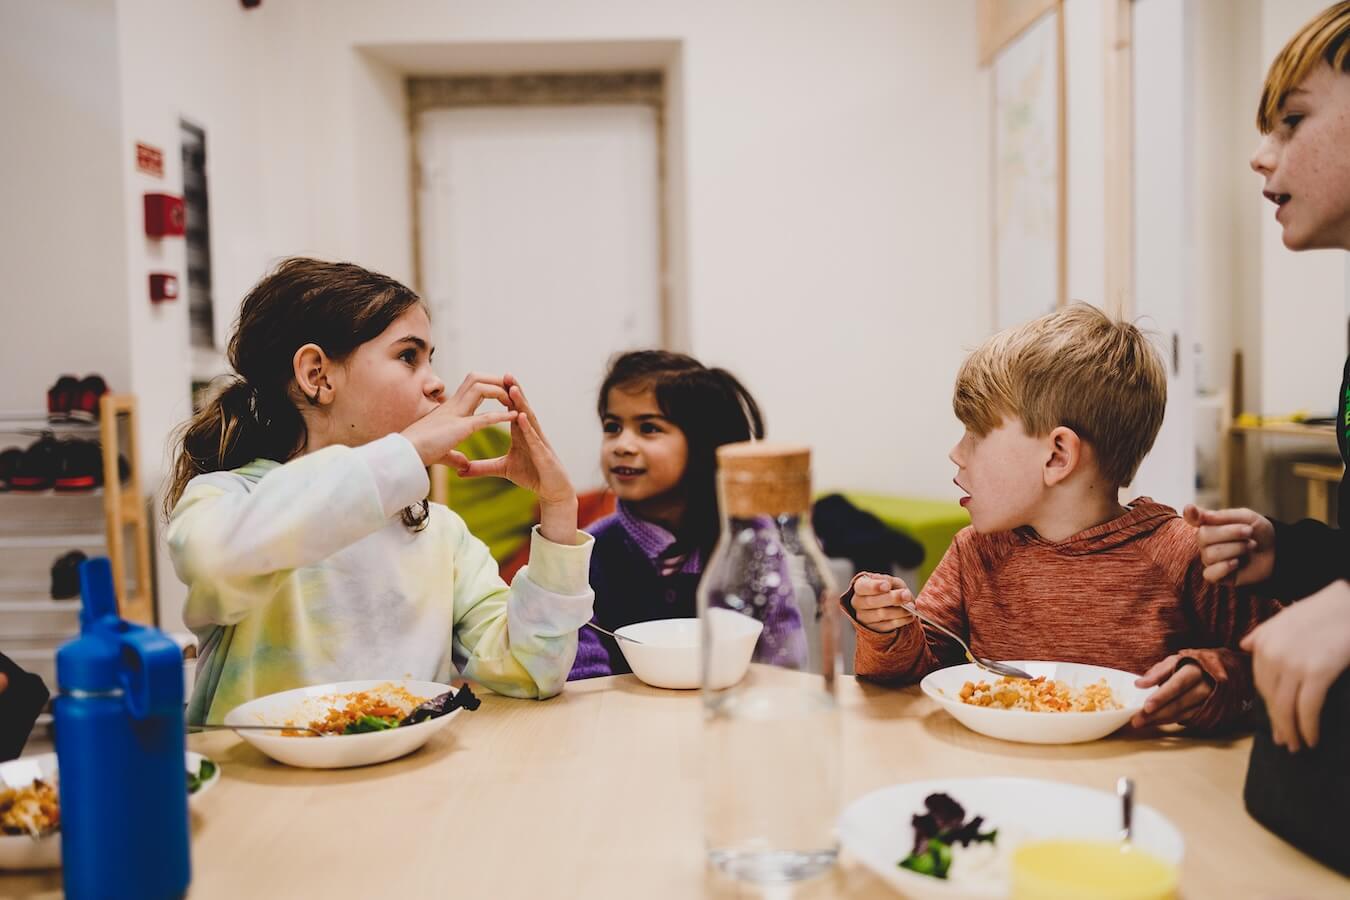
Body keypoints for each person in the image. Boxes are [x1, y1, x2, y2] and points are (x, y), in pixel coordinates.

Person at [166, 258, 594, 724]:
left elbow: (532, 671)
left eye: (430, 359)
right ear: (317, 374)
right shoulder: (224, 500)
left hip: (409, 769)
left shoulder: (438, 532)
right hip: (256, 771)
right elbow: (215, 562)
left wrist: (557, 510)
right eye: (408, 356)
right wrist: (407, 450)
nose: (437, 383)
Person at [843, 304, 1280, 731]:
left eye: (975, 434)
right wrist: (887, 629)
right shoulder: (975, 553)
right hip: (997, 769)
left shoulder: (1184, 555)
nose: (956, 453)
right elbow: (914, 677)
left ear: (1057, 456)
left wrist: (1213, 678)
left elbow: (1278, 666)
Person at [569, 351, 805, 679]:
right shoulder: (591, 550)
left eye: (648, 428)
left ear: (702, 444)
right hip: (618, 709)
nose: (622, 445)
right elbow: (581, 667)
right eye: (613, 427)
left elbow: (781, 652)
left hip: (729, 705)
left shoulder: (748, 538)